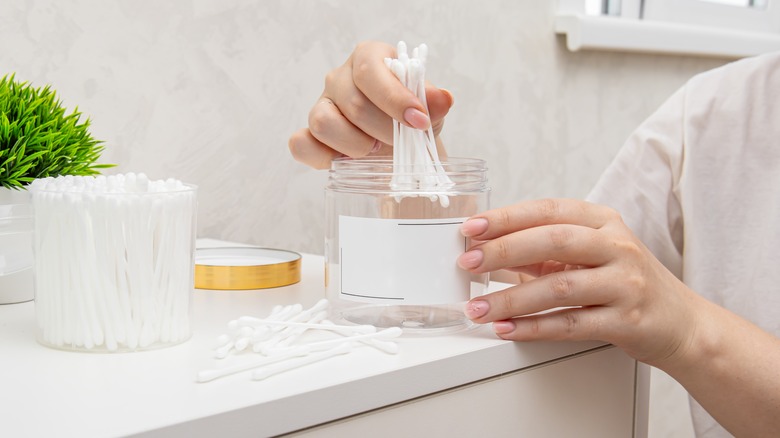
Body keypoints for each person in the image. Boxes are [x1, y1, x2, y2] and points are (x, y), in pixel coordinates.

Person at [288, 41, 780, 437]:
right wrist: (405, 156)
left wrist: (690, 329)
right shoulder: (716, 110)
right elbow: (572, 281)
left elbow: (655, 304)